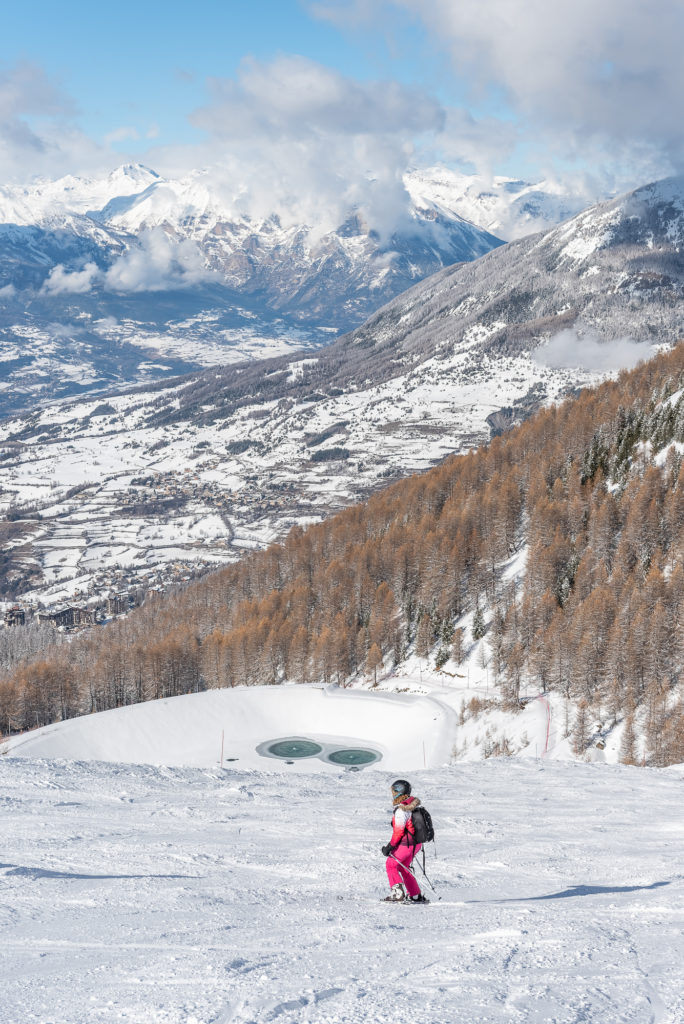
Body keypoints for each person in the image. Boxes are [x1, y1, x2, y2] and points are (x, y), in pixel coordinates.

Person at [381, 779, 428, 903]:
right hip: (417, 843)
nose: (392, 794)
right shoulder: (412, 805)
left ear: (398, 792)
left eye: (393, 791)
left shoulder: (402, 810)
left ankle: (397, 894)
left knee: (390, 864)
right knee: (403, 867)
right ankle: (415, 895)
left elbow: (399, 832)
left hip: (407, 844)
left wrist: (390, 847)